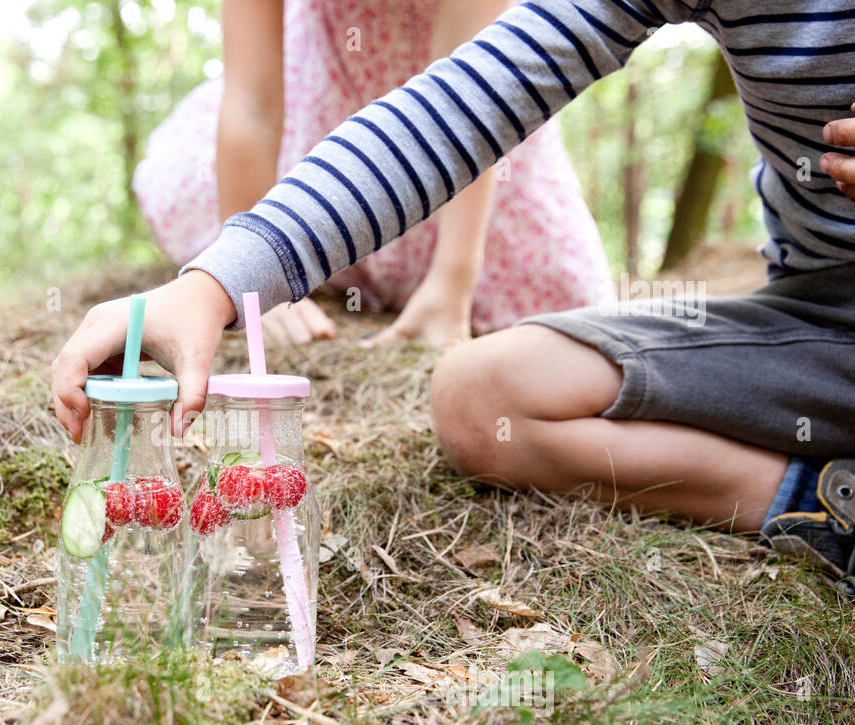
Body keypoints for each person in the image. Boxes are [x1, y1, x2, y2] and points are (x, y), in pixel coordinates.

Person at [53, 0, 855, 593]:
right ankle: (820, 504)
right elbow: (459, 106)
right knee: (481, 395)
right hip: (820, 321)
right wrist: (217, 283)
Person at [133, 0, 611, 348]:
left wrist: (454, 279)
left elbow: (476, 105)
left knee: (572, 305)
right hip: (329, 121)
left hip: (482, 152)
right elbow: (252, 102)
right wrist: (252, 279)